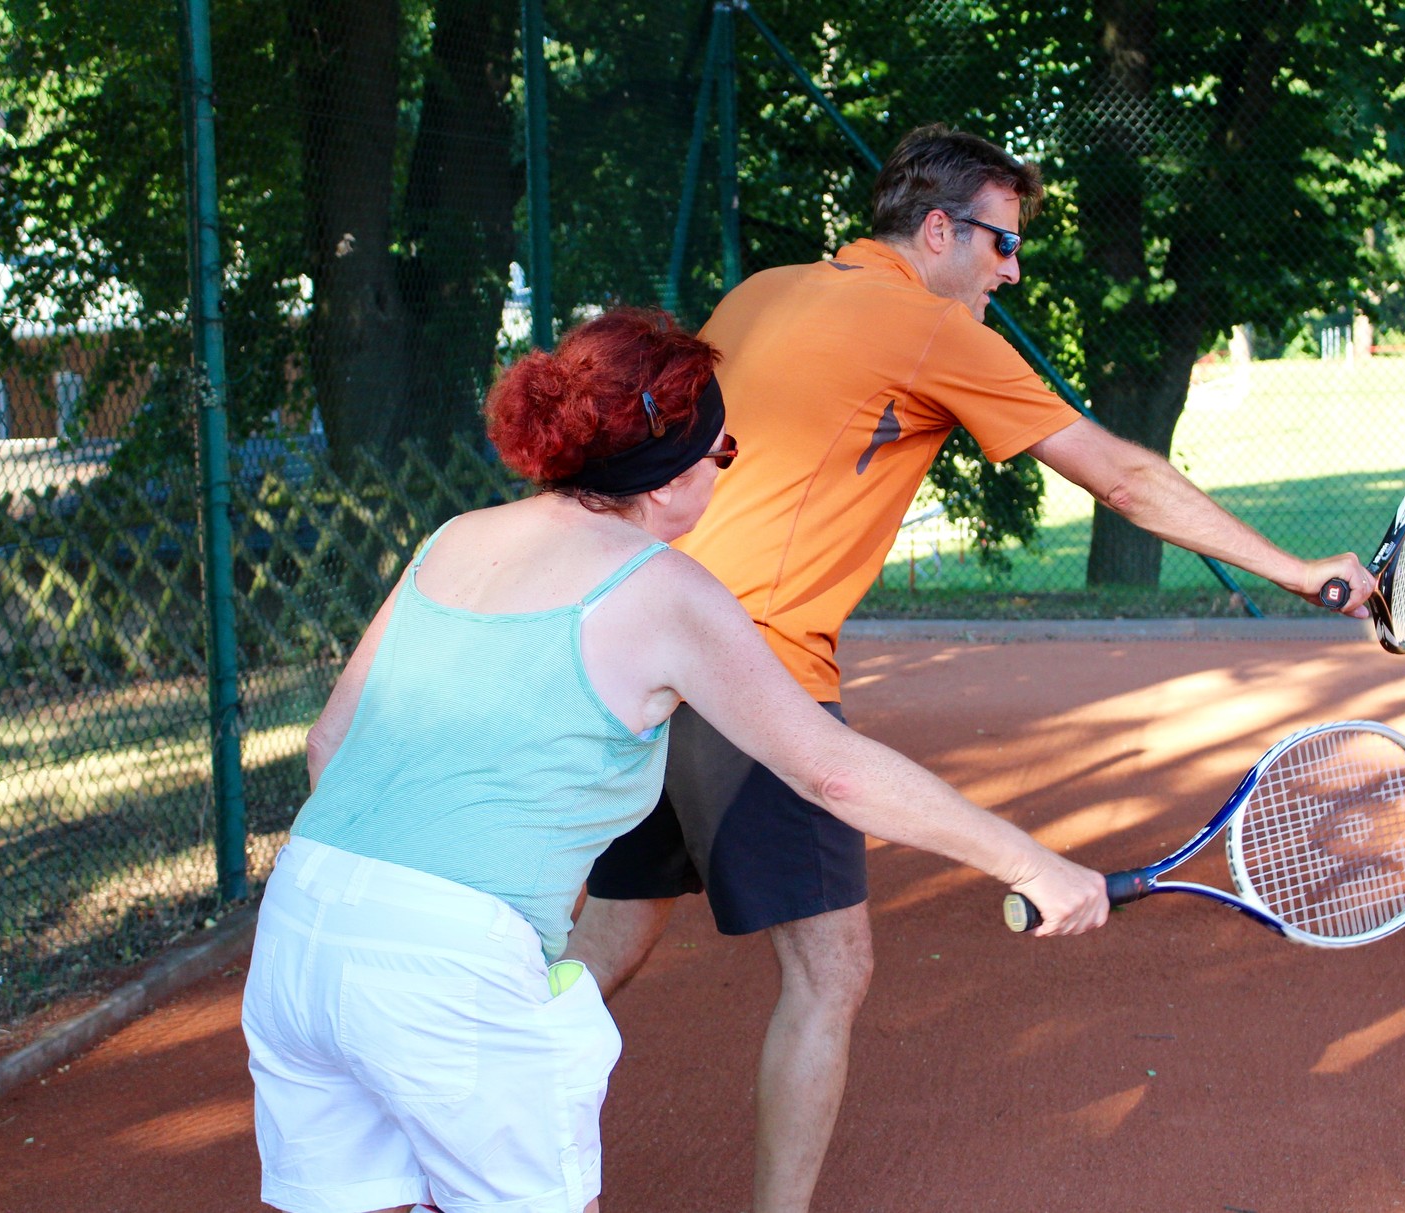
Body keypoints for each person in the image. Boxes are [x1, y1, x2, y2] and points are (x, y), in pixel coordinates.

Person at [569, 125, 1382, 1213]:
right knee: (831, 971)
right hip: (746, 667)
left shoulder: (761, 291)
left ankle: (456, 1144)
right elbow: (1125, 480)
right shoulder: (922, 325)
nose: (1011, 270)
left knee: (608, 937)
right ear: (939, 230)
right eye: (1001, 245)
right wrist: (1292, 570)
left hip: (627, 645)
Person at [239, 307, 1109, 1213]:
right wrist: (1029, 861)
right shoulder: (663, 589)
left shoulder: (455, 537)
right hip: (450, 968)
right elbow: (831, 770)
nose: (729, 470)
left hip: (303, 924)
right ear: (670, 476)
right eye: (726, 451)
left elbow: (328, 741)